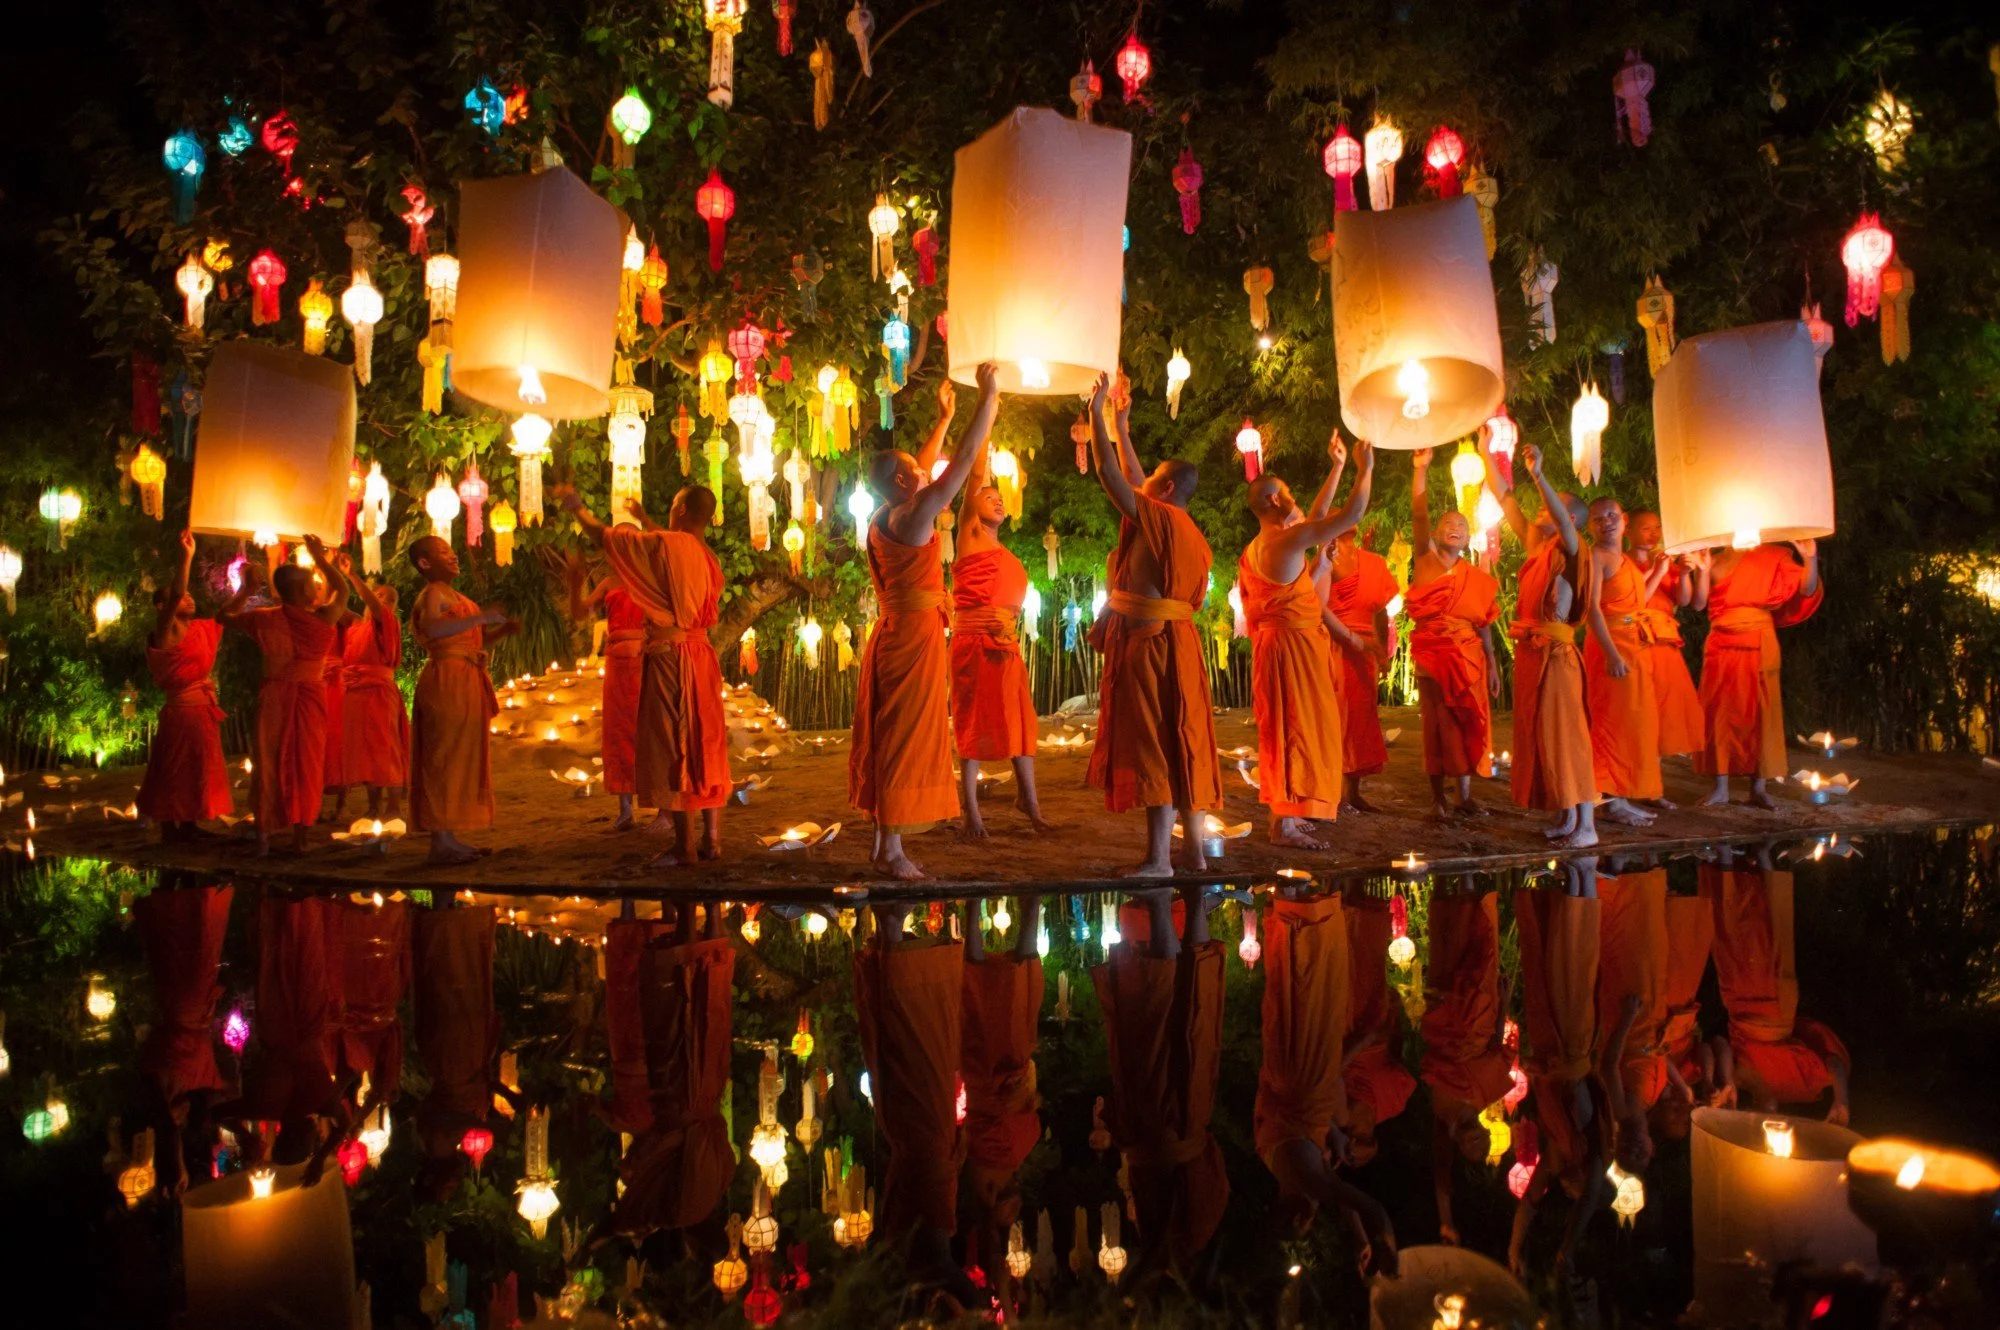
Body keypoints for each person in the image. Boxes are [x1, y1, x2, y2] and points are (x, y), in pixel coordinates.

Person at [850, 364, 1003, 879]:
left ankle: (881, 842)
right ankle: (893, 849)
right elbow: (959, 466)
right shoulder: (912, 517)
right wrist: (988, 396)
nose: (924, 472)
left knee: (895, 730)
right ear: (900, 483)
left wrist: (943, 417)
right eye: (914, 473)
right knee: (903, 737)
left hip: (900, 633)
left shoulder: (886, 514)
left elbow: (927, 462)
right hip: (910, 638)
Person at [1085, 373, 1223, 875]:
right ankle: (1192, 853)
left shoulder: (1158, 518)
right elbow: (1134, 477)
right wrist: (1122, 428)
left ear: (1163, 490)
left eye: (1150, 481)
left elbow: (1110, 475)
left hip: (1150, 645)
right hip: (1178, 645)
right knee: (1181, 735)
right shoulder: (1184, 528)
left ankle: (1158, 860)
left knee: (1154, 741)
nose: (1140, 485)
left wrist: (1097, 411)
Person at [562, 485, 732, 866]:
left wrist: (577, 508)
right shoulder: (707, 558)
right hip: (701, 656)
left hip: (671, 655)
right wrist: (642, 519)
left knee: (676, 742)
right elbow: (666, 548)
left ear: (682, 509)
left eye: (672, 504)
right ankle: (713, 840)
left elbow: (606, 538)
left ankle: (684, 846)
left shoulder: (668, 546)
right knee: (705, 741)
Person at [1254, 884, 1397, 1274]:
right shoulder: (1280, 1163)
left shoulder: (1303, 1176)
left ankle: (1301, 905)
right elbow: (1336, 1187)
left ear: (1299, 1216)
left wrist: (1387, 1249)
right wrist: (1333, 1132)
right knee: (1302, 994)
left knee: (1306, 991)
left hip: (1302, 1071)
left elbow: (1365, 1205)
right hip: (1296, 1071)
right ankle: (1299, 904)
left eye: (1311, 1220)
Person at [1240, 438, 1376, 846]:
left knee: (1296, 726)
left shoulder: (1269, 542)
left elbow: (1314, 517)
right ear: (1273, 501)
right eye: (1287, 494)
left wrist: (1336, 468)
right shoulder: (1280, 542)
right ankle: (1284, 823)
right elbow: (1350, 513)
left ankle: (1291, 814)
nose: (1293, 499)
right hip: (1289, 650)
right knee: (1292, 728)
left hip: (1287, 646)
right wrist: (1364, 467)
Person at [1092, 886, 1229, 1280]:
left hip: (1177, 1119)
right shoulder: (1189, 1236)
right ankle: (1167, 898)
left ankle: (1190, 897)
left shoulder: (1186, 1234)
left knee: (1189, 1008)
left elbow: (1212, 1168)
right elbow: (1205, 1172)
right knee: (1163, 1003)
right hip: (1164, 1123)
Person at [944, 379, 1055, 838]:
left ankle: (1027, 798)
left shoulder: (1002, 551)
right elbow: (974, 470)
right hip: (973, 645)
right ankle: (970, 810)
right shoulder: (969, 538)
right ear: (973, 506)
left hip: (1005, 646)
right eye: (988, 496)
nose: (996, 499)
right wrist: (987, 408)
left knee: (1020, 720)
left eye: (1000, 499)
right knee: (972, 725)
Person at [1479, 440, 1598, 846]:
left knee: (1567, 735)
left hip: (1558, 656)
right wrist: (1484, 452)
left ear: (1570, 520)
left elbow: (1563, 521)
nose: (1541, 511)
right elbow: (1505, 498)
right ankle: (1567, 816)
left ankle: (1587, 825)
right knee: (1546, 736)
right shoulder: (1538, 547)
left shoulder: (1573, 548)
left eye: (1551, 508)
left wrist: (1539, 474)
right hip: (1533, 652)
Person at [854, 902, 973, 1296]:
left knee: (910, 1039)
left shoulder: (921, 1239)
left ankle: (891, 924)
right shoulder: (910, 1240)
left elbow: (939, 1264)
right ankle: (890, 925)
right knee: (908, 1039)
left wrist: (969, 1303)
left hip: (924, 1137)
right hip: (924, 1132)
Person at [1509, 861, 1618, 1285]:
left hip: (1548, 1048)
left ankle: (1567, 880)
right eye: (1575, 1198)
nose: (1570, 1194)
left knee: (1545, 961)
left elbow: (1530, 1203)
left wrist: (1514, 1249)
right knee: (1572, 962)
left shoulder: (1558, 1156)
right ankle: (1584, 876)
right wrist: (1565, 1251)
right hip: (1572, 1045)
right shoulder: (1596, 1154)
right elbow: (1590, 1196)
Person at [612, 903, 736, 1248]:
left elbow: (720, 1137)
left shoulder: (724, 1180)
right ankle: (685, 912)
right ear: (695, 1243)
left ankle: (710, 911)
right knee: (675, 1005)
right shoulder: (680, 1213)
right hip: (680, 1098)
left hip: (708, 1090)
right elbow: (628, 1218)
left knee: (708, 1000)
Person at [220, 535, 347, 855]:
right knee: (306, 763)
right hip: (307, 697)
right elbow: (343, 591)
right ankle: (299, 838)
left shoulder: (265, 618)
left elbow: (222, 618)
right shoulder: (321, 618)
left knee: (270, 761)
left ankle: (264, 837)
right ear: (304, 591)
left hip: (275, 697)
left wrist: (246, 591)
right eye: (313, 584)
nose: (318, 588)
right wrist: (321, 558)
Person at [1709, 846, 1851, 1122]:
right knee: (1772, 935)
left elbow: (1718, 1042)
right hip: (1775, 1011)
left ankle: (1726, 857)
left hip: (1738, 1005)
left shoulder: (1741, 1080)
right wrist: (1841, 1101)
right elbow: (1834, 1065)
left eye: (1756, 1116)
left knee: (1729, 934)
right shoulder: (1801, 1089)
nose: (1764, 1113)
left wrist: (1726, 1080)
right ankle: (1763, 858)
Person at [406, 535, 517, 866]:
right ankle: (440, 840)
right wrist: (481, 618)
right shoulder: (433, 593)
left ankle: (449, 837)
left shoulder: (453, 595)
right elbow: (433, 628)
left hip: (465, 676)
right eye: (443, 552)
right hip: (447, 680)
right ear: (425, 563)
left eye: (451, 550)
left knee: (460, 757)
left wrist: (500, 631)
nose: (453, 556)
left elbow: (468, 641)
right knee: (444, 756)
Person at [1690, 541, 1823, 808]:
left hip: (1760, 641)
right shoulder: (1711, 560)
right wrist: (1701, 571)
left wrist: (1810, 558)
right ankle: (1721, 787)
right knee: (1720, 712)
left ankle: (1759, 787)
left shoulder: (1771, 556)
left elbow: (1806, 588)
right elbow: (1698, 603)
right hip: (1721, 643)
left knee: (1762, 711)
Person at [1404, 450, 1500, 819]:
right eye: (1447, 523)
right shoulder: (1426, 562)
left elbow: (1485, 623)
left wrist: (1491, 664)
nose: (1454, 527)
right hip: (1433, 656)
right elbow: (1418, 511)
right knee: (1437, 726)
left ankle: (1463, 796)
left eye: (1461, 524)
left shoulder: (1475, 578)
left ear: (1469, 536)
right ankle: (1437, 798)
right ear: (1435, 533)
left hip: (1470, 658)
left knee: (1465, 722)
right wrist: (1420, 469)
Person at [1309, 437, 1400, 814]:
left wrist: (1383, 648)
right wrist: (1343, 467)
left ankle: (1352, 791)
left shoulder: (1373, 561)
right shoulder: (1325, 552)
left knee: (1362, 718)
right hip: (1333, 644)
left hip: (1365, 650)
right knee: (1333, 716)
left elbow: (1382, 610)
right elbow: (1317, 605)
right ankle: (1329, 788)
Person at [1421, 882, 1513, 1247]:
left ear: (1458, 1143)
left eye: (1471, 1141)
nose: (1476, 1133)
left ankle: (1449, 879)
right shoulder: (1483, 1096)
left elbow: (1442, 1180)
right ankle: (1473, 882)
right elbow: (1497, 1048)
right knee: (1480, 948)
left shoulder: (1442, 1115)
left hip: (1446, 1016)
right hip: (1479, 1013)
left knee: (1450, 943)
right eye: (1483, 1137)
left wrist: (1446, 1222)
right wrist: (1504, 1002)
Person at [137, 530, 245, 840]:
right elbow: (174, 595)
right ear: (163, 607)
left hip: (201, 710)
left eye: (188, 595)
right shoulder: (165, 630)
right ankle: (170, 824)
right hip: (181, 711)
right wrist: (187, 556)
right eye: (183, 596)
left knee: (197, 769)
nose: (189, 598)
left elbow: (226, 616)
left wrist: (247, 590)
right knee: (174, 769)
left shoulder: (200, 628)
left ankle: (189, 822)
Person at [135, 879, 235, 1197]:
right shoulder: (196, 1083)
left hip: (185, 1005)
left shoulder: (159, 1087)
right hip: (191, 1007)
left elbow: (167, 1127)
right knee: (195, 946)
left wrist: (175, 1164)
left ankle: (192, 894)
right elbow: (223, 1103)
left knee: (190, 947)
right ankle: (194, 894)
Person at [960, 894, 1044, 1264]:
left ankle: (1023, 906)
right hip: (991, 1075)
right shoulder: (989, 1162)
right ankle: (986, 907)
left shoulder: (999, 1161)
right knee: (988, 991)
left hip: (994, 1075)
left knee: (988, 992)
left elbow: (1018, 1122)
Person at [410, 903, 504, 1199]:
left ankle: (448, 919)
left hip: (455, 1059)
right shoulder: (447, 1145)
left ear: (432, 1178)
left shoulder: (435, 1143)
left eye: (448, 1186)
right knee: (463, 989)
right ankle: (453, 919)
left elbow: (448, 1117)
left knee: (454, 988)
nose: (455, 1182)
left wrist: (481, 1124)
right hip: (463, 1061)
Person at [1583, 498, 1664, 826]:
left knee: (1633, 722)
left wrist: (1659, 571)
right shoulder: (1596, 556)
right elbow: (1592, 608)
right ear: (1589, 527)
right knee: (1611, 723)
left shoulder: (1624, 559)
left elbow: (1637, 600)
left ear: (1624, 519)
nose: (1606, 523)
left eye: (1611, 516)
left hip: (1634, 642)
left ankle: (1623, 796)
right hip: (1610, 646)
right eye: (1598, 519)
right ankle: (1610, 799)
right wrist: (1611, 654)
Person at [568, 557, 647, 831]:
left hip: (647, 658)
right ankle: (625, 810)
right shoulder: (608, 583)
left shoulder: (651, 578)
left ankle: (664, 808)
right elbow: (580, 612)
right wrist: (575, 583)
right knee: (619, 732)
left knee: (649, 730)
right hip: (617, 661)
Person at [1342, 894, 1418, 1166]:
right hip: (1379, 1029)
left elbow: (1336, 1068)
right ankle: (1367, 900)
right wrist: (1395, 1014)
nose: (1357, 1138)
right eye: (1365, 1141)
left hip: (1352, 1032)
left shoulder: (1341, 1114)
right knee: (1372, 964)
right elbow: (1396, 1054)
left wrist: (1365, 1040)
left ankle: (1345, 899)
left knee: (1350, 966)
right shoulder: (1393, 1104)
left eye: (1354, 1144)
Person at [1626, 512, 1705, 773]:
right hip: (1634, 639)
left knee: (1663, 712)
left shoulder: (1666, 563)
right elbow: (1632, 600)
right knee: (1637, 711)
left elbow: (1685, 601)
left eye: (1657, 528)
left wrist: (1683, 573)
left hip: (1664, 640)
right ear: (1628, 529)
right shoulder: (1621, 562)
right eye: (1646, 528)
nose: (1653, 534)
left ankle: (1653, 784)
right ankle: (1634, 781)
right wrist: (1657, 571)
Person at [334, 572, 408, 822]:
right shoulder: (356, 627)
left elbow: (374, 606)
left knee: (385, 747)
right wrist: (326, 570)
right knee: (364, 751)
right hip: (354, 692)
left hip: (378, 691)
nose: (382, 601)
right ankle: (373, 806)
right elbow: (329, 606)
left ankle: (394, 806)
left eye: (389, 599)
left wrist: (351, 574)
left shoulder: (387, 622)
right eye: (379, 595)